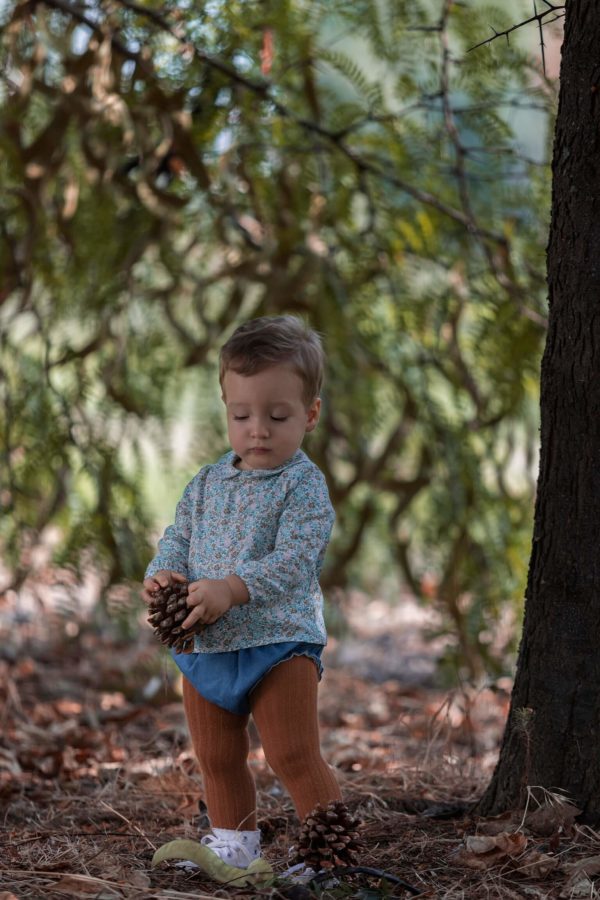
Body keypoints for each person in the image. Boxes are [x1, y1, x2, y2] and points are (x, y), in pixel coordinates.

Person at [142, 315, 343, 873]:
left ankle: (329, 856)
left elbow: (296, 558)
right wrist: (162, 574)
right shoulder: (206, 482)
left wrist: (233, 587)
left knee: (291, 752)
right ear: (226, 409)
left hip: (280, 642)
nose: (258, 429)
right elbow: (178, 538)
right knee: (216, 752)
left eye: (277, 416)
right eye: (241, 415)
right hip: (206, 640)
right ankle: (233, 842)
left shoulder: (303, 484)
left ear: (309, 414)